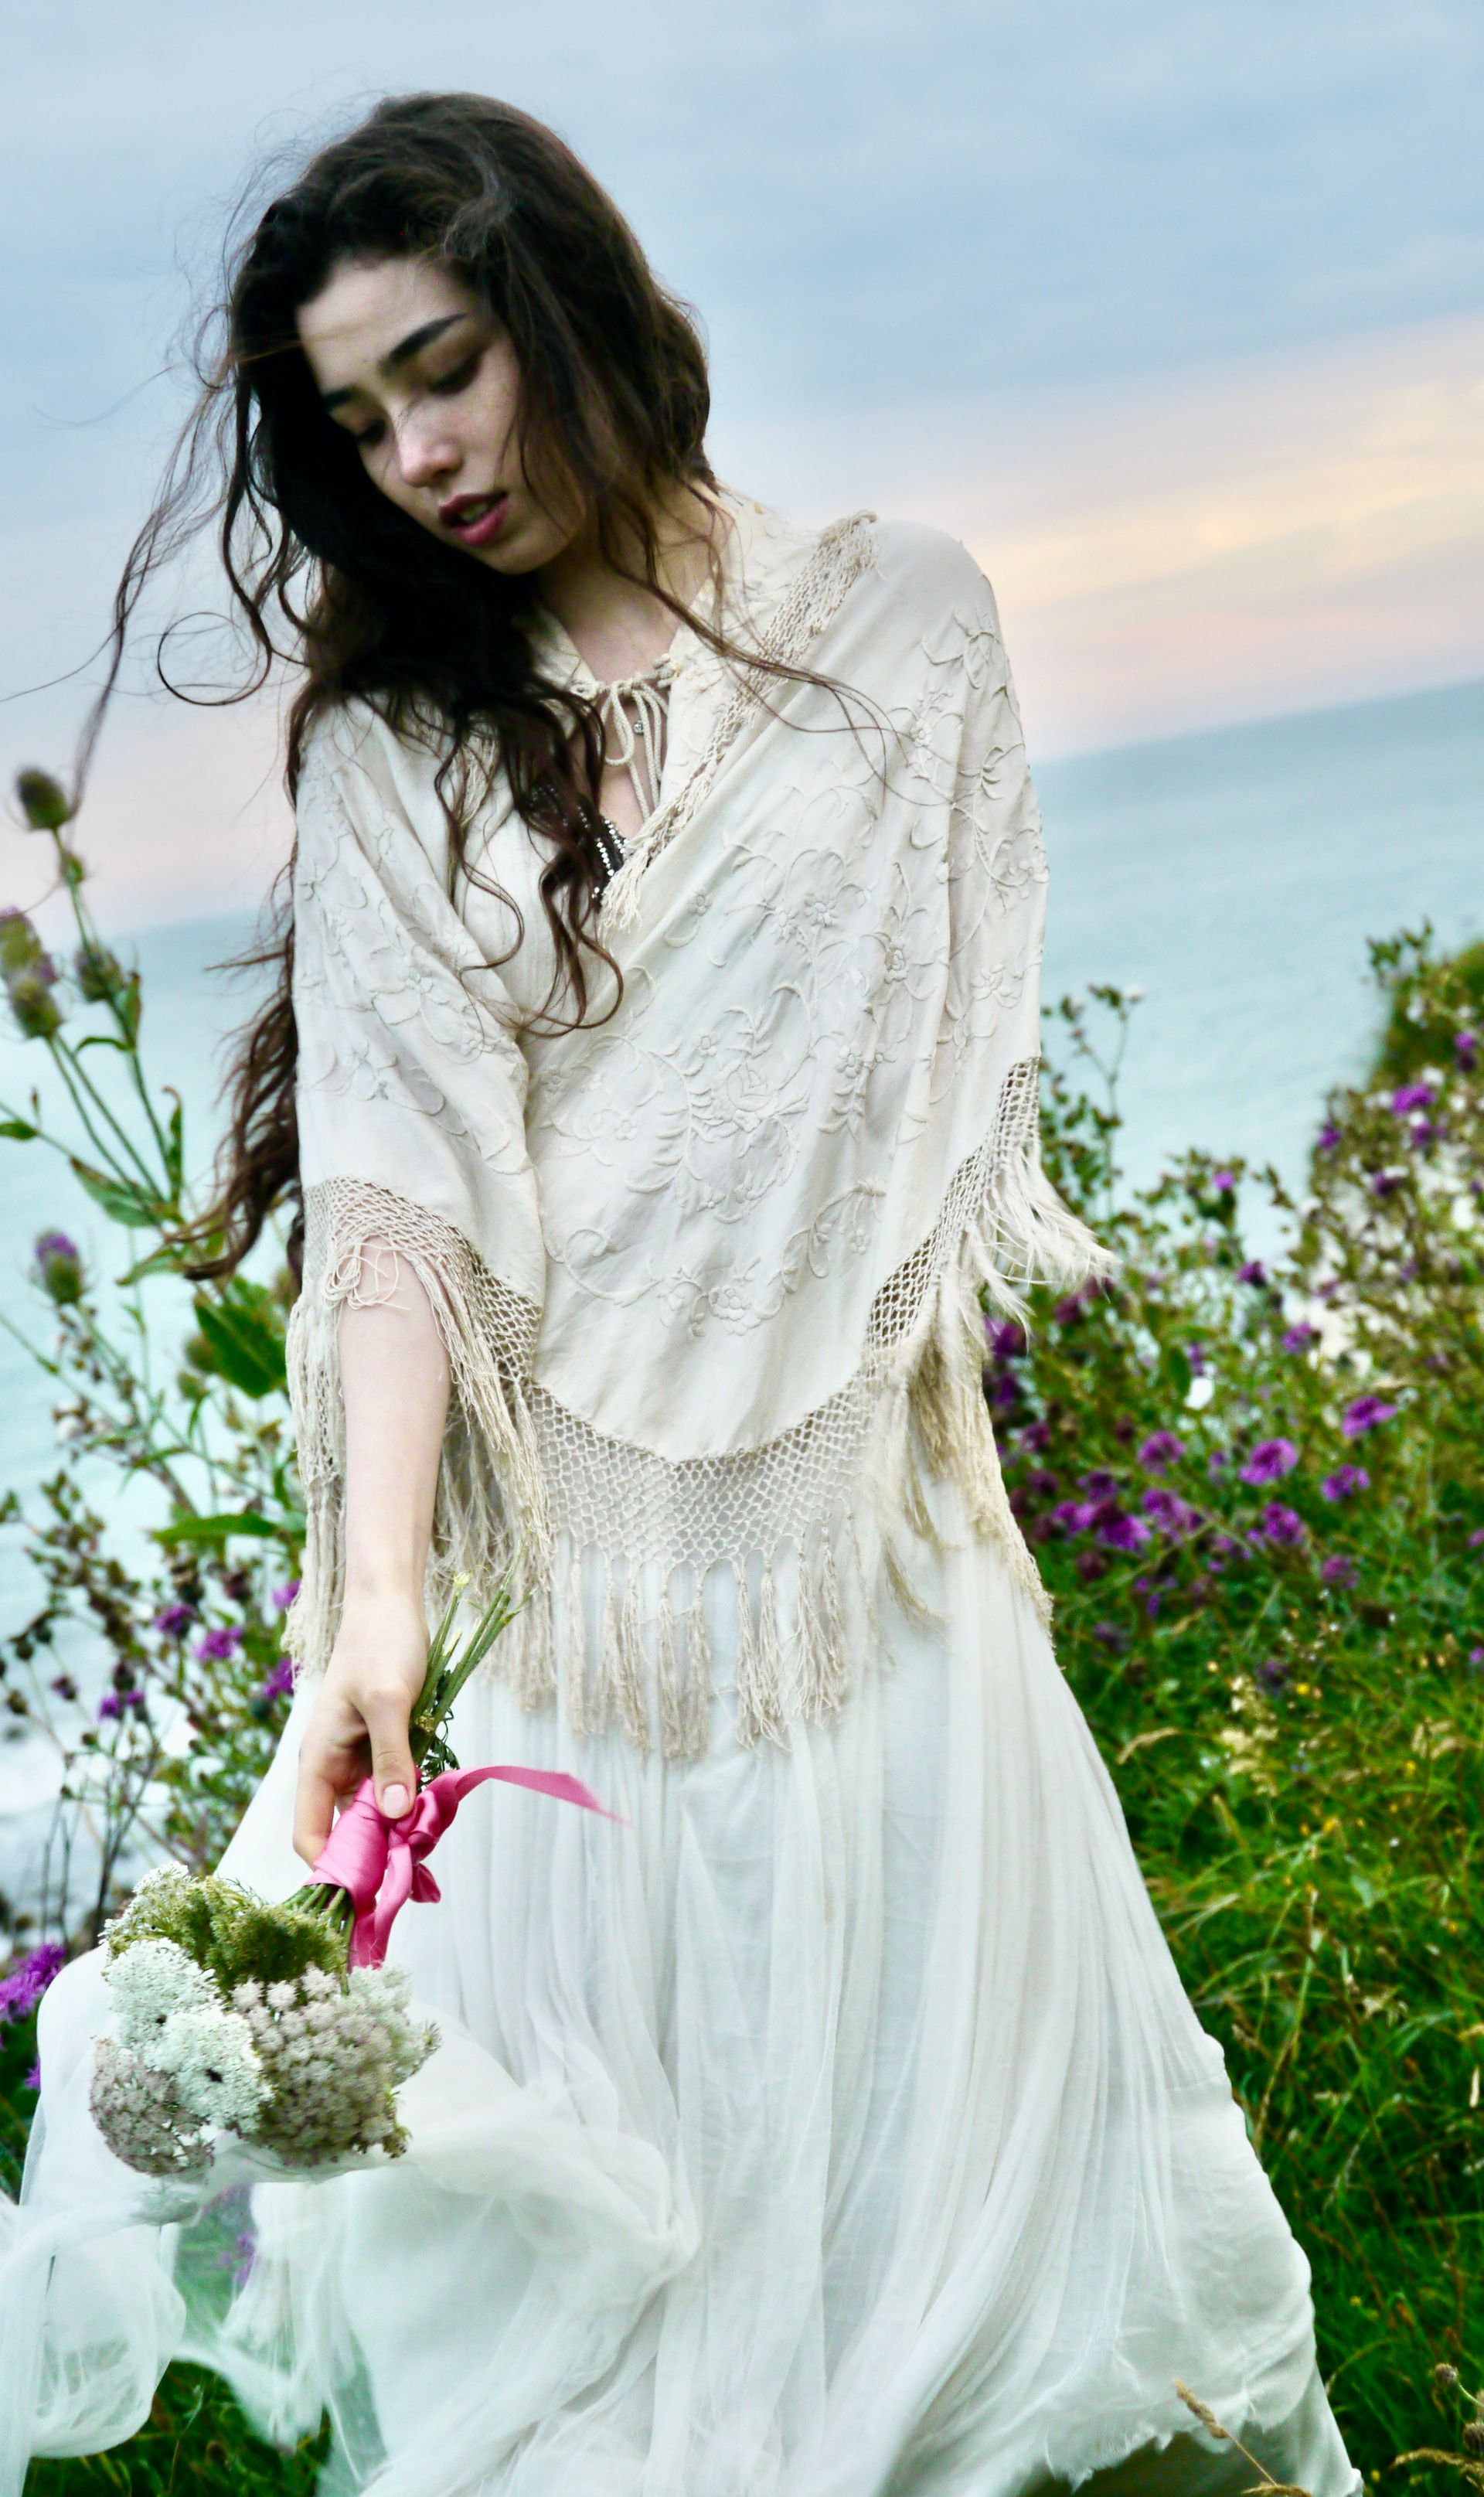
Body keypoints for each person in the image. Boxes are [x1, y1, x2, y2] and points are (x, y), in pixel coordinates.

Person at [0, 92, 1362, 2497]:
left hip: (898, 1594)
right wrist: (378, 1622)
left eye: (443, 369)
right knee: (639, 2359)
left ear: (567, 306)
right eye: (356, 421)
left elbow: (920, 1123)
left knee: (973, 2293)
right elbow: (405, 1214)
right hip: (592, 1674)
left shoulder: (907, 623)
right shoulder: (403, 749)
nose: (419, 454)